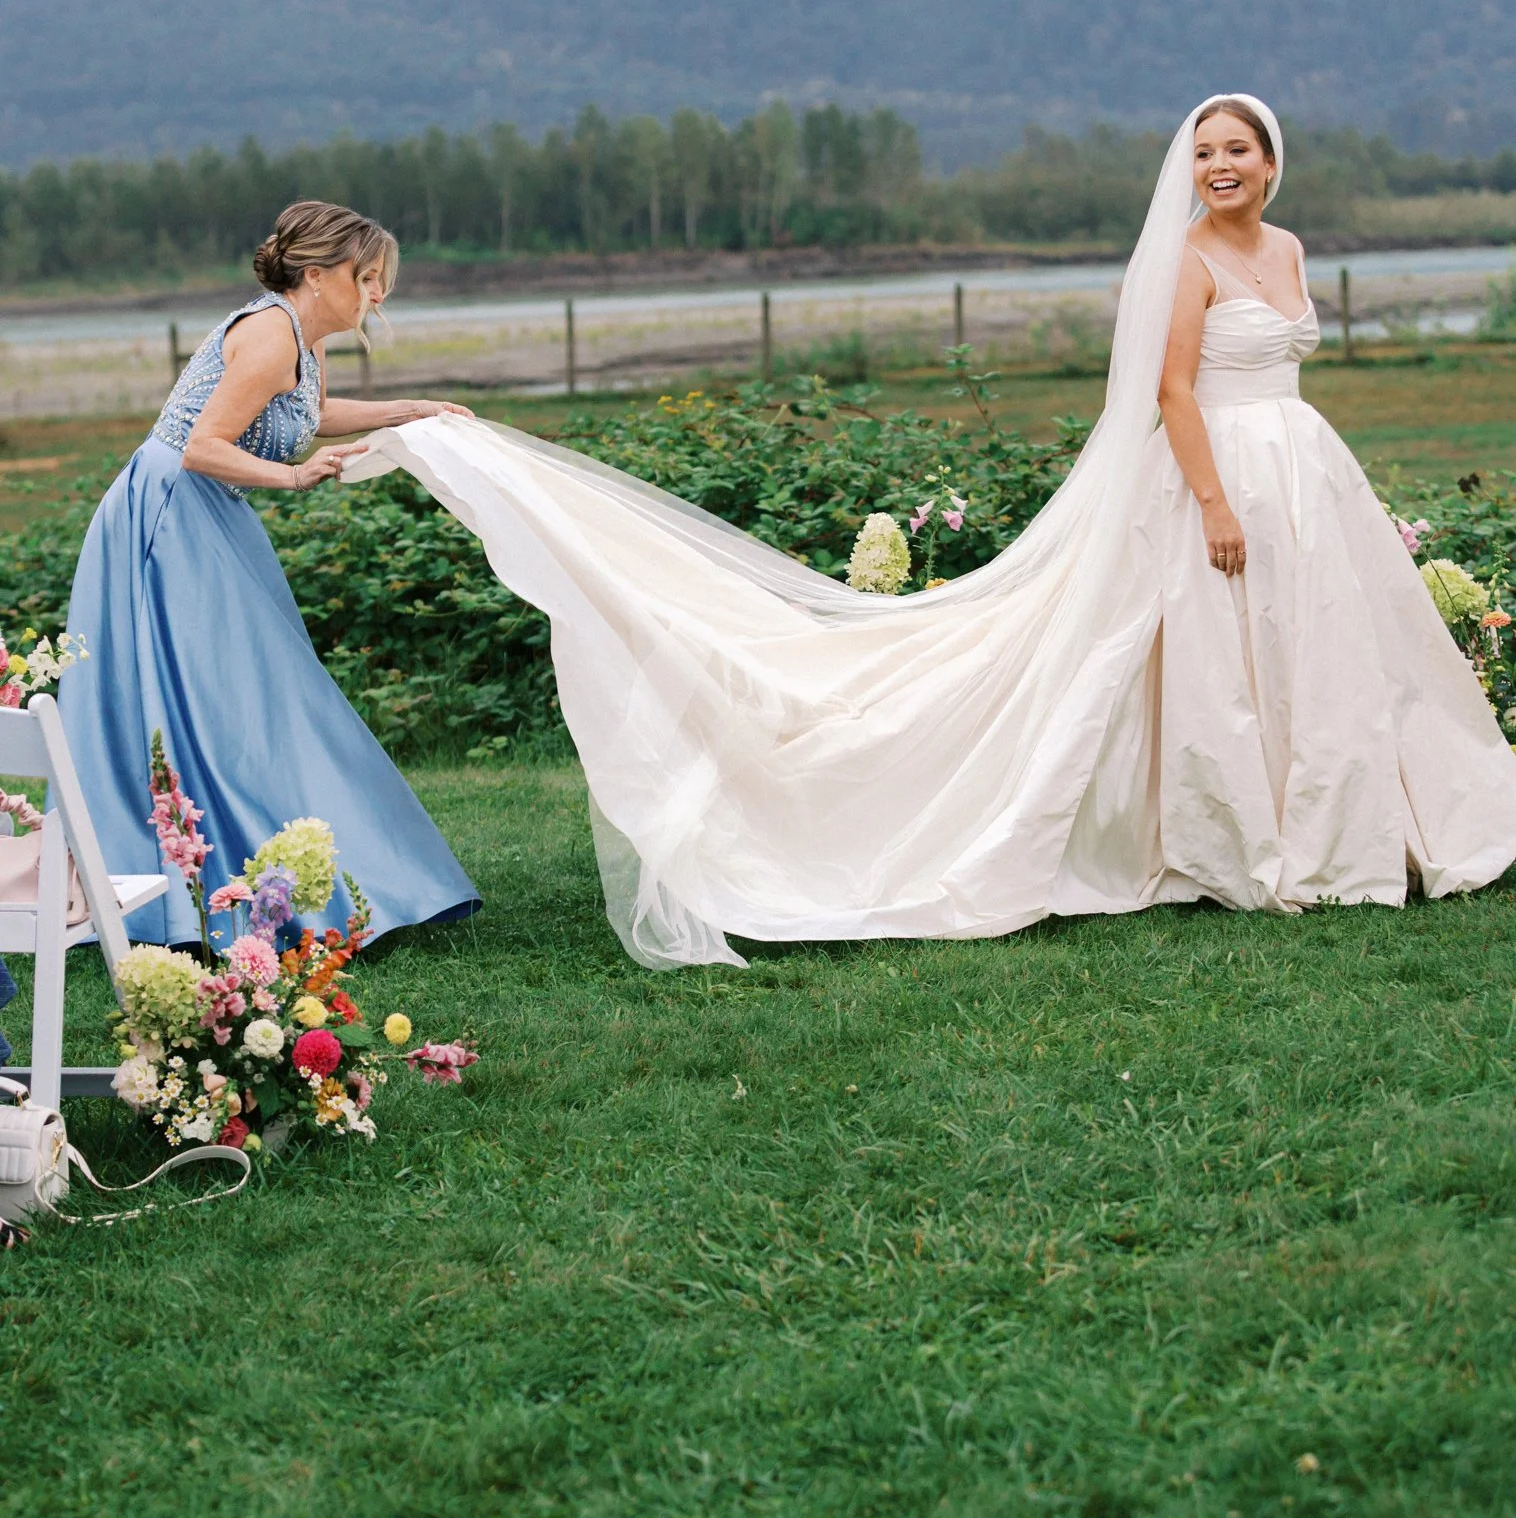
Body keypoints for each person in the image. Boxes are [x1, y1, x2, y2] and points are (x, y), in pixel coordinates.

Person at [341, 97, 1516, 968]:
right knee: (1203, 666)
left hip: (1305, 475)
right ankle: (1230, 835)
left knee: (1314, 658)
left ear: (1271, 162)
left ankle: (1341, 823)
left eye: (1236, 150)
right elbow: (1168, 393)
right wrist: (1211, 500)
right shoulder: (1189, 263)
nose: (1218, 167)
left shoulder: (1291, 251)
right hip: (1212, 479)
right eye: (1202, 152)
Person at [62, 201, 480, 943]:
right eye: (368, 278)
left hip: (210, 514)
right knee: (218, 698)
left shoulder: (302, 338)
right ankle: (193, 884)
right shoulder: (267, 335)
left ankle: (285, 871)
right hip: (168, 514)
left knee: (261, 692)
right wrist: (293, 480)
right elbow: (200, 446)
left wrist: (410, 411)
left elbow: (306, 412)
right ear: (317, 275)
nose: (378, 294)